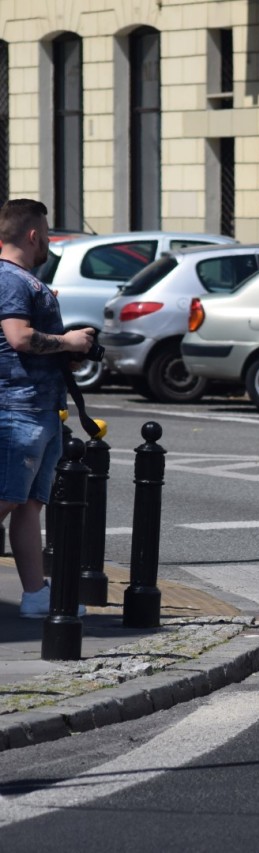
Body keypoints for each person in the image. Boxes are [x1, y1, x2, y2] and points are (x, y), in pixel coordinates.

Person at [0, 199, 95, 618]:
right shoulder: (11, 280)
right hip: (17, 409)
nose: (50, 241)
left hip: (38, 408)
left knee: (27, 506)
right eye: (48, 233)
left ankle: (36, 594)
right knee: (5, 501)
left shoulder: (24, 281)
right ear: (33, 234)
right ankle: (36, 594)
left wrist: (66, 353)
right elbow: (19, 338)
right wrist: (69, 343)